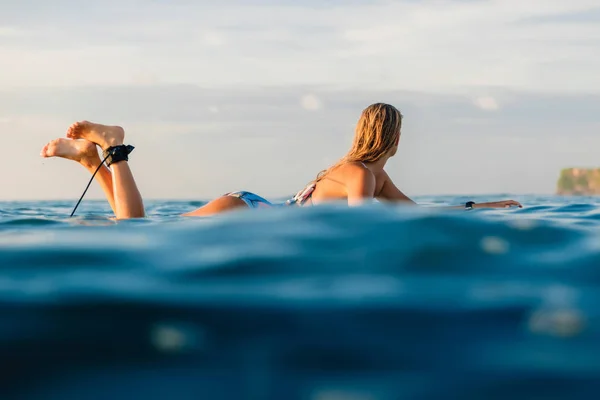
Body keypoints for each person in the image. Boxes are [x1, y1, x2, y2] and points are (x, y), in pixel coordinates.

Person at [40, 103, 522, 219]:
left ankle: (89, 161)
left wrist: (487, 208)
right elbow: (365, 227)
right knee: (135, 232)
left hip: (253, 208)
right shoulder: (360, 175)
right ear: (394, 138)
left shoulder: (374, 174)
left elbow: (416, 215)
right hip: (248, 211)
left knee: (136, 230)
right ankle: (112, 146)